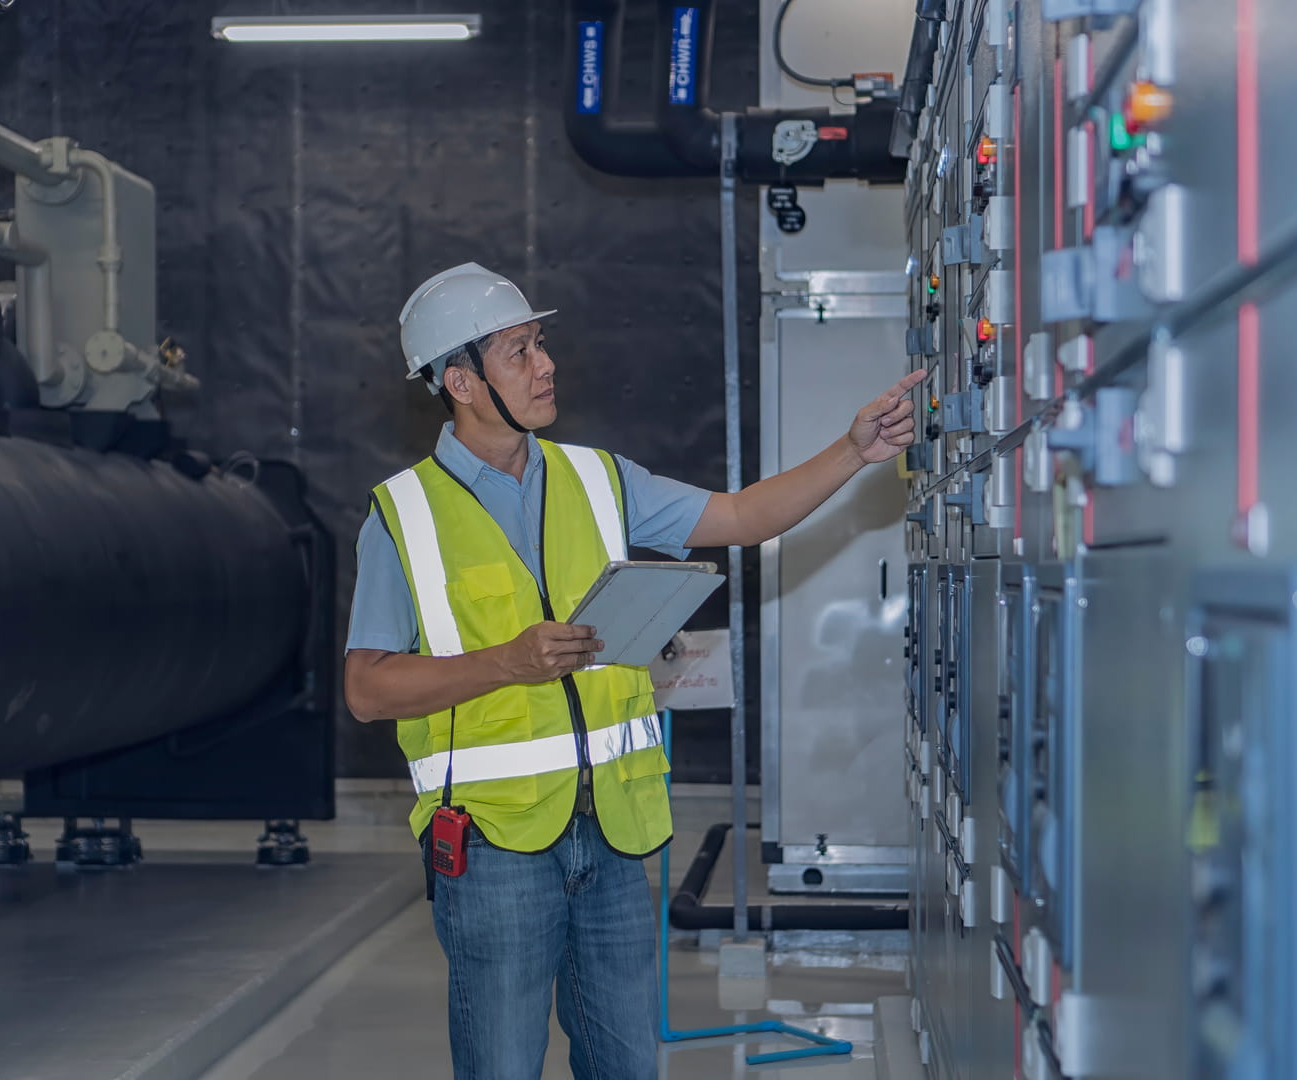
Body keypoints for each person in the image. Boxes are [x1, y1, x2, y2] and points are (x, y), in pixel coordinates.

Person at [343, 262, 925, 1080]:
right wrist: (507, 663)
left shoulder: (598, 479)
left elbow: (739, 516)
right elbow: (367, 689)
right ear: (462, 382)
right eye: (519, 351)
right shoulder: (402, 516)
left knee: (626, 1065)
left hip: (615, 833)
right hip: (495, 845)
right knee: (502, 1065)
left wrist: (853, 451)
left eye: (541, 343)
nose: (546, 364)